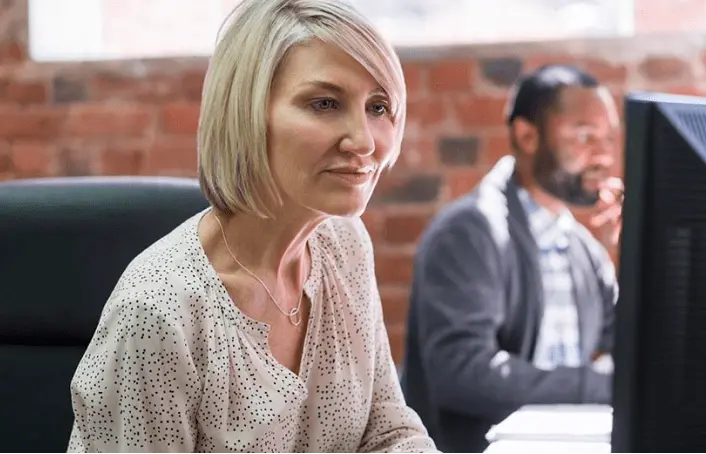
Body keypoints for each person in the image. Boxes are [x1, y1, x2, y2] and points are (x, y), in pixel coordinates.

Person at [66, 1, 437, 453]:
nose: (363, 141)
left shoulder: (343, 245)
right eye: (324, 103)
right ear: (245, 111)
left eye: (379, 107)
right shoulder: (160, 314)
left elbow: (388, 433)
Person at [400, 64, 622, 454]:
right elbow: (461, 373)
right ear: (527, 135)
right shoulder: (469, 231)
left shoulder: (584, 249)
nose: (604, 155)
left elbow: (640, 351)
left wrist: (639, 251)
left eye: (608, 138)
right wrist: (599, 384)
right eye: (585, 135)